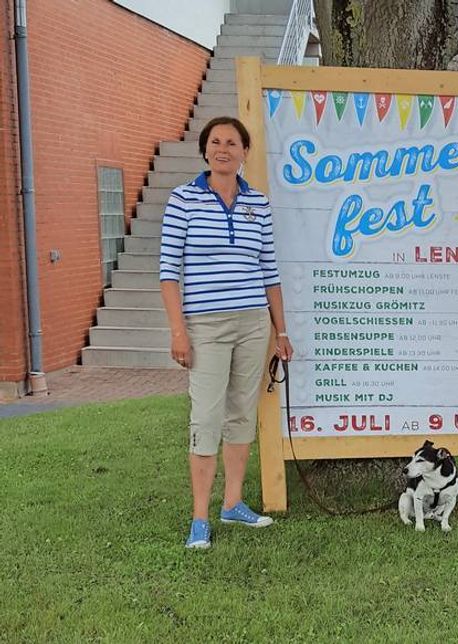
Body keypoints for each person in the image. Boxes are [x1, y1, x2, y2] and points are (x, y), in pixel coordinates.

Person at [159, 116, 294, 550]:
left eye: (232, 143)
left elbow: (269, 271)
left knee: (241, 414)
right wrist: (178, 331)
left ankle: (232, 503)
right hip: (206, 326)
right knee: (206, 417)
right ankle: (200, 517)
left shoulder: (258, 203)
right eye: (216, 142)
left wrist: (281, 330)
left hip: (254, 323)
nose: (223, 149)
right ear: (205, 151)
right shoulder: (183, 200)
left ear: (244, 152)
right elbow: (168, 273)